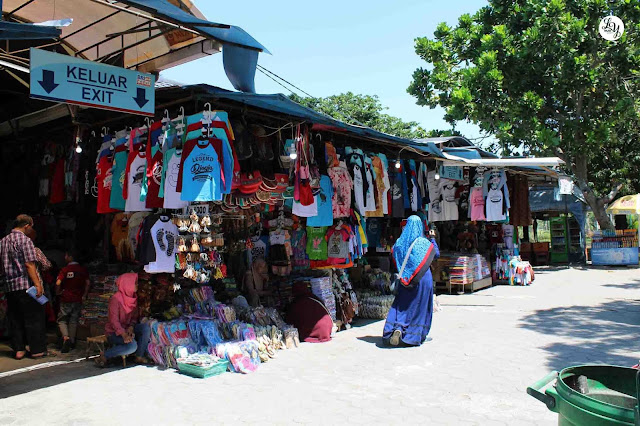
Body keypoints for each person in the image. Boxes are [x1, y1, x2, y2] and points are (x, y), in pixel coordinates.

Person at [383, 215, 439, 347]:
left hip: (404, 279)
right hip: (423, 278)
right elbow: (435, 254)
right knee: (420, 305)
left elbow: (394, 259)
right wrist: (432, 238)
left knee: (402, 305)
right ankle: (415, 335)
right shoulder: (423, 242)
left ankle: (397, 328)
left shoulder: (399, 243)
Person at [0, 214, 50, 359]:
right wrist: (38, 284)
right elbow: (29, 264)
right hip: (26, 285)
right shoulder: (25, 240)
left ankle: (19, 350)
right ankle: (37, 350)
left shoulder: (3, 241)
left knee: (15, 318)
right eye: (31, 227)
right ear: (27, 225)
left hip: (10, 286)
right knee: (34, 317)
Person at [95, 272, 150, 367]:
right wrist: (124, 334)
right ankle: (105, 355)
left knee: (145, 328)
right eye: (135, 283)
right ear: (127, 284)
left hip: (127, 328)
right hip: (114, 332)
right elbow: (114, 321)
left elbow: (134, 317)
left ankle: (139, 356)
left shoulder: (133, 298)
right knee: (132, 346)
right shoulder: (115, 299)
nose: (137, 285)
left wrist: (131, 327)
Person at [55, 249, 90, 353]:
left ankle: (66, 338)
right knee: (73, 320)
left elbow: (58, 282)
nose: (65, 257)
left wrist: (58, 292)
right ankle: (72, 341)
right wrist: (84, 295)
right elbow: (88, 283)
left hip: (66, 298)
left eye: (66, 255)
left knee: (62, 319)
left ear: (70, 257)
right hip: (78, 298)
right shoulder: (82, 269)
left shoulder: (65, 270)